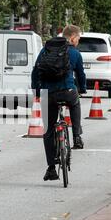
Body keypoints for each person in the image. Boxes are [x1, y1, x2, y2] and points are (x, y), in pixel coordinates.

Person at [31, 25, 87, 181]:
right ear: (73, 37)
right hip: (68, 92)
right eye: (78, 38)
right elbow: (81, 75)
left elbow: (35, 71)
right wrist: (82, 89)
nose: (78, 41)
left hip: (48, 94)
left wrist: (36, 91)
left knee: (48, 131)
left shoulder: (45, 50)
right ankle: (77, 136)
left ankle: (51, 168)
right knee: (75, 103)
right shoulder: (75, 53)